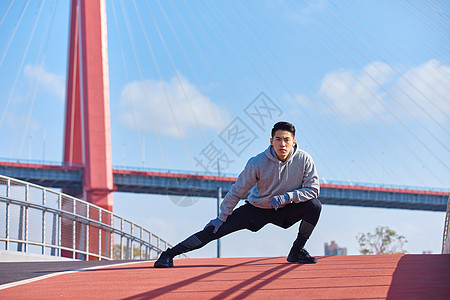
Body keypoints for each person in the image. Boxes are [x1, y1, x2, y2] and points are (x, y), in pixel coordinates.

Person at [154, 121, 321, 268]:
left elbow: (313, 189)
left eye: (286, 140)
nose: (282, 144)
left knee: (314, 205)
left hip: (285, 208)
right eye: (278, 139)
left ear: (293, 142)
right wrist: (222, 216)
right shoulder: (257, 162)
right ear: (271, 141)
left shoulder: (304, 159)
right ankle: (168, 254)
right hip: (257, 208)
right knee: (214, 229)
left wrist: (288, 197)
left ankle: (297, 251)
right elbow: (237, 190)